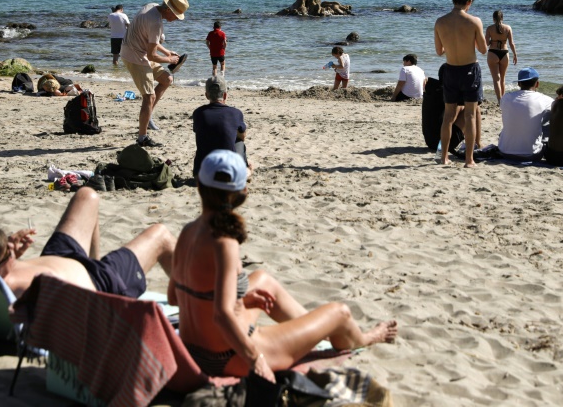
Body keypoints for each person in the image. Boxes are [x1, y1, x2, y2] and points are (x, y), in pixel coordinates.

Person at [168, 150, 397, 381]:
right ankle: (364, 338)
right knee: (340, 313)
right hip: (229, 357)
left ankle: (311, 331)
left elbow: (174, 298)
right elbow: (222, 314)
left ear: (198, 184)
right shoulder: (224, 242)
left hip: (192, 350)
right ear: (242, 191)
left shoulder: (188, 231)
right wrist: (255, 359)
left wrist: (240, 300)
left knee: (263, 279)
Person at [0, 187, 175, 298]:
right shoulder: (18, 293)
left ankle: (93, 258)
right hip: (102, 282)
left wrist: (11, 254)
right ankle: (202, 308)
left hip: (60, 257)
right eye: (7, 251)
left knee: (87, 195)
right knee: (160, 234)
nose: (12, 248)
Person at [121, 0, 189, 148]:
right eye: (177, 16)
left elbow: (150, 39)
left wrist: (167, 52)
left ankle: (148, 116)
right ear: (169, 10)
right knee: (149, 97)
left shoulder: (151, 6)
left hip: (139, 51)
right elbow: (152, 56)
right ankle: (142, 138)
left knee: (167, 79)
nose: (177, 19)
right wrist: (170, 60)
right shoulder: (156, 23)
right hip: (134, 56)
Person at [434, 0, 488, 167]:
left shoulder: (440, 22)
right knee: (470, 115)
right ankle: (469, 160)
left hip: (450, 69)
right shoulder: (474, 21)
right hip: (469, 70)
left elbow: (439, 51)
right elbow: (482, 50)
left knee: (448, 116)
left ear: (453, 0)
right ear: (469, 2)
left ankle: (444, 158)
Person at [192, 75, 248, 178]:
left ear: (206, 95)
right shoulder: (235, 113)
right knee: (239, 143)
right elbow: (242, 136)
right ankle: (245, 172)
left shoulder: (198, 113)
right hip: (227, 174)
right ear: (225, 95)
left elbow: (198, 131)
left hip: (201, 174)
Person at [497, 67, 553, 162]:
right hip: (532, 154)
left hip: (504, 152)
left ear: (519, 83)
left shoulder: (506, 97)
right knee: (547, 122)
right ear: (537, 84)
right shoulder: (546, 100)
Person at [485, 10, 518, 105]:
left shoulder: (489, 29)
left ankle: (499, 101)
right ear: (502, 18)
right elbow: (511, 43)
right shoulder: (508, 28)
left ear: (493, 19)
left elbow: (486, 43)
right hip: (504, 53)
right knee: (503, 79)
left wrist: (492, 41)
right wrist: (515, 54)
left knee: (496, 79)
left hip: (493, 53)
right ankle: (503, 100)